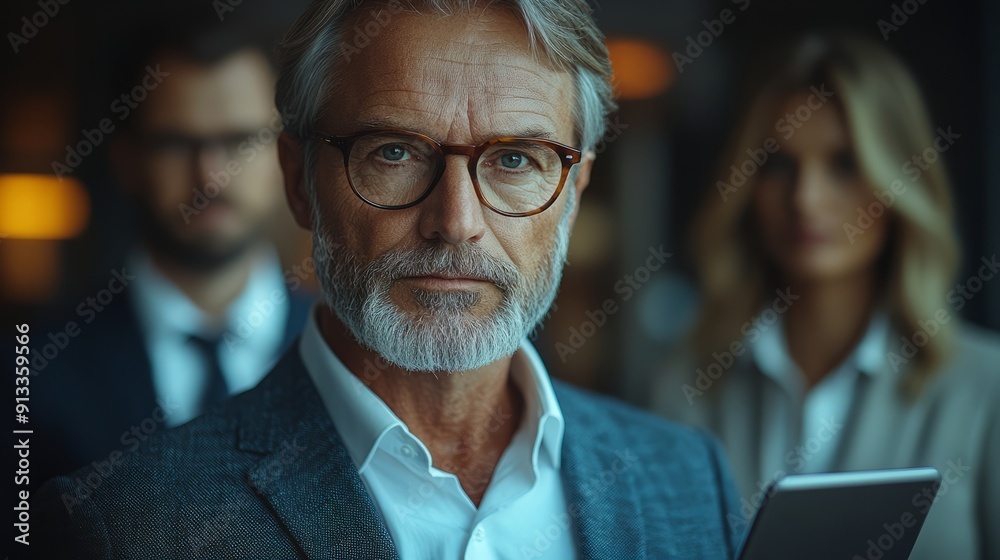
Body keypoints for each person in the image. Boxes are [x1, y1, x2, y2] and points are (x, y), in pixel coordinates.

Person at [34, 1, 744, 558]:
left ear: (575, 191)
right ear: (300, 183)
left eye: (515, 159)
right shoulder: (129, 526)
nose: (456, 222)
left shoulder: (691, 482)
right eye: (396, 152)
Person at [650, 34, 1000, 559]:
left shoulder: (986, 389)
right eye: (778, 165)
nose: (806, 199)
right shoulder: (686, 385)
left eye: (844, 163)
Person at [31, 22, 314, 490]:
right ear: (126, 161)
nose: (210, 177)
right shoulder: (34, 366)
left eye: (240, 140)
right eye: (175, 143)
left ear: (286, 158)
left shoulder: (352, 352)